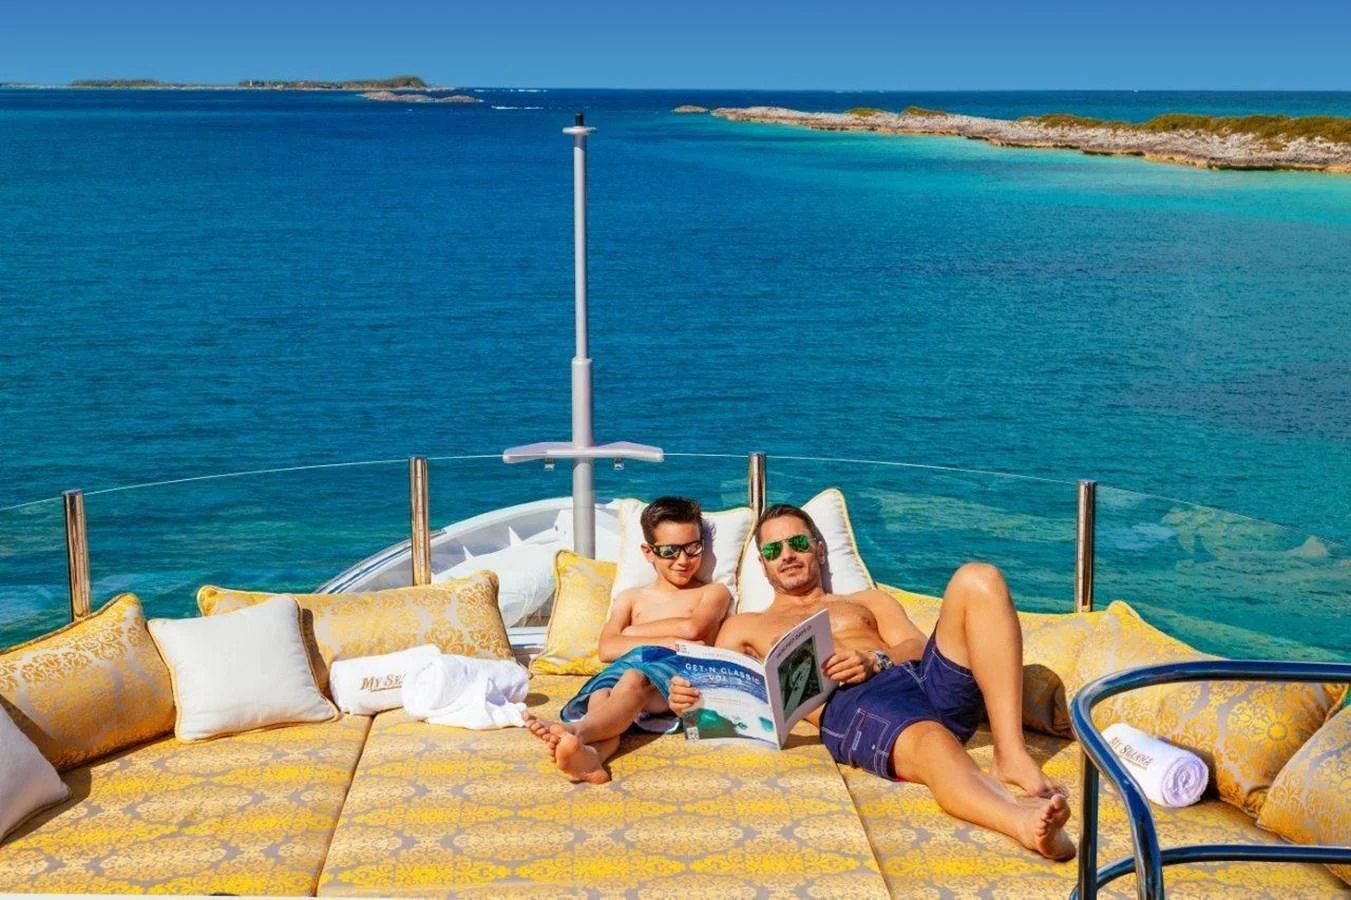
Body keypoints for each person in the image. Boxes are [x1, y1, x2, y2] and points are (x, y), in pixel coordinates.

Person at [668, 504, 1075, 861]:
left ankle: (1011, 753)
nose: (787, 556)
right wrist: (688, 700)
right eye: (773, 551)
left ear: (819, 548)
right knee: (932, 741)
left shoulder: (868, 601)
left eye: (798, 544)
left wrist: (874, 658)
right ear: (763, 564)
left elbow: (914, 645)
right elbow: (726, 693)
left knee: (979, 578)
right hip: (853, 703)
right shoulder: (746, 626)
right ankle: (1020, 821)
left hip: (914, 677)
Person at [525, 496, 730, 784]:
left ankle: (576, 731)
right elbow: (607, 648)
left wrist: (631, 633)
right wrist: (670, 639)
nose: (683, 560)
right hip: (624, 671)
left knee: (635, 679)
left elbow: (693, 629)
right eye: (670, 551)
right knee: (603, 698)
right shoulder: (631, 598)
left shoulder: (712, 592)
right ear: (648, 552)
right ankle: (592, 758)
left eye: (693, 548)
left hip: (669, 674)